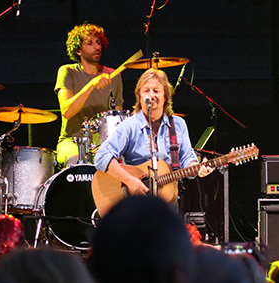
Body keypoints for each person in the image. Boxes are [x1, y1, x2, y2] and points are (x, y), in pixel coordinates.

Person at [94, 68, 212, 200]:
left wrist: (197, 168)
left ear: (165, 96)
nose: (151, 95)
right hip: (134, 203)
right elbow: (101, 156)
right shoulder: (129, 126)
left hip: (167, 201)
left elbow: (186, 158)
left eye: (156, 91)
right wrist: (130, 181)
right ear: (139, 96)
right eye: (146, 91)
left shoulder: (178, 125)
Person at [55, 23, 124, 166]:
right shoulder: (67, 72)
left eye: (98, 42)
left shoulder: (114, 76)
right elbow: (67, 111)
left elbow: (118, 119)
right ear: (78, 50)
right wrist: (91, 85)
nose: (97, 47)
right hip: (72, 141)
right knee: (75, 162)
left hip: (103, 144)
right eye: (90, 43)